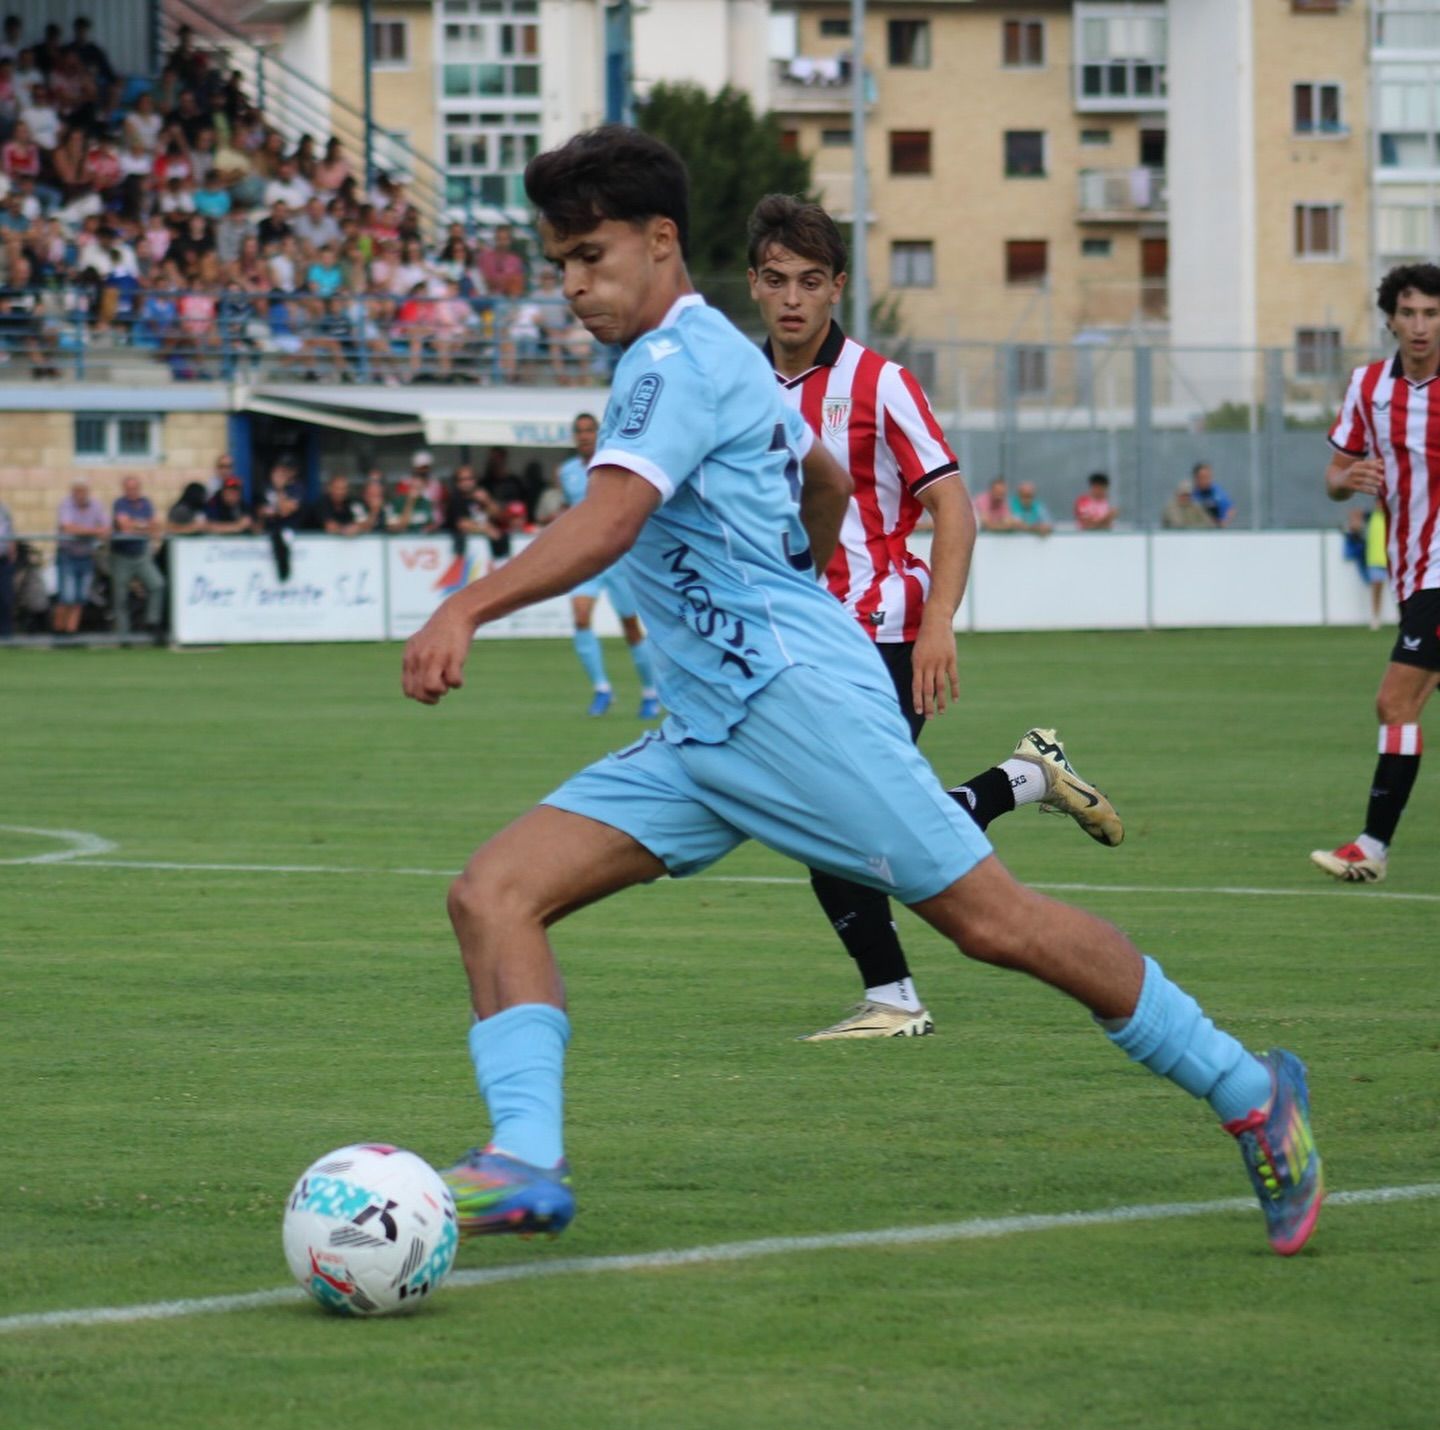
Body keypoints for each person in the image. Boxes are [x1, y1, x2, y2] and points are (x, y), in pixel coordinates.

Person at [400, 125, 1323, 1258]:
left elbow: (613, 521)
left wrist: (464, 605)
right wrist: (801, 563)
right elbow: (822, 475)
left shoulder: (679, 363)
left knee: (992, 926)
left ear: (660, 241)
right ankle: (527, 1164)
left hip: (796, 711)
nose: (573, 283)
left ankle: (1250, 1090)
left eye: (590, 255)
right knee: (492, 894)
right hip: (707, 731)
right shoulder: (715, 356)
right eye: (559, 264)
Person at [747, 194, 1121, 1040]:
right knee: (860, 820)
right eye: (777, 281)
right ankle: (1026, 778)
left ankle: (895, 999)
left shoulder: (880, 382)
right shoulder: (737, 386)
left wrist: (939, 621)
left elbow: (952, 505)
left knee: (833, 818)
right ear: (754, 286)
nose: (794, 299)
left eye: (811, 281)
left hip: (883, 632)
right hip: (792, 641)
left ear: (838, 286)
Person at [1311, 261, 1440, 885]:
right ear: (1390, 319)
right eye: (1410, 313)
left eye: (1432, 313)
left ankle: (1371, 845)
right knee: (1403, 708)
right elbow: (1335, 477)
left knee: (1395, 703)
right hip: (1414, 571)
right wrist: (1349, 480)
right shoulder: (1368, 387)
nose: (1420, 326)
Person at [558, 411, 660, 719]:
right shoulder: (565, 472)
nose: (584, 436)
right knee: (580, 615)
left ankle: (650, 691)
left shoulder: (613, 466)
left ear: (598, 433)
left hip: (617, 559)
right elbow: (572, 510)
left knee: (630, 628)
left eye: (589, 430)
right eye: (579, 431)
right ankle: (602, 689)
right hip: (584, 557)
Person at [110, 474, 166, 640]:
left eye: (135, 488)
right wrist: (143, 526)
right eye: (129, 488)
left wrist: (137, 525)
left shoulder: (146, 503)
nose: (132, 491)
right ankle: (123, 635)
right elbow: (124, 526)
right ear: (124, 489)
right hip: (121, 556)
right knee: (120, 596)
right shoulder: (120, 503)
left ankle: (152, 622)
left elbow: (155, 526)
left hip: (141, 555)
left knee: (157, 584)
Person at [54, 480, 108, 634]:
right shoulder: (66, 505)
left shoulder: (96, 505)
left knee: (80, 598)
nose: (80, 495)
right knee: (67, 597)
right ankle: (58, 632)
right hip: (67, 555)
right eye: (77, 491)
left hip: (86, 556)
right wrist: (93, 531)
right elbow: (68, 528)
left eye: (83, 491)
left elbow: (105, 527)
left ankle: (71, 632)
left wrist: (87, 531)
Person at [0, 493, 15, 639]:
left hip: (3, 560)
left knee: (5, 597)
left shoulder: (4, 509)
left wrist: (12, 551)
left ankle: (6, 634)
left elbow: (11, 530)